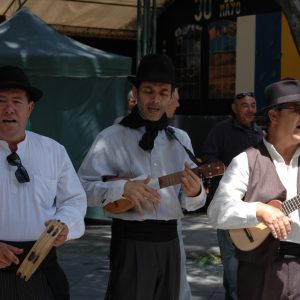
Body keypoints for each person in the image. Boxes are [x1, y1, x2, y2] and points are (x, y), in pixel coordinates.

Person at [78, 54, 206, 300]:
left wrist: (194, 193)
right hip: (131, 242)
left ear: (171, 95)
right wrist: (122, 189)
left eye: (163, 92)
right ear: (135, 92)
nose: (156, 99)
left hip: (170, 243)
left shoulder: (180, 139)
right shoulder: (111, 137)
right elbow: (81, 188)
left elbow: (190, 202)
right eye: (148, 91)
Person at [207, 79, 300, 300]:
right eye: (297, 109)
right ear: (274, 115)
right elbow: (217, 211)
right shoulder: (247, 160)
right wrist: (259, 210)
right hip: (258, 273)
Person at [0, 65, 87, 300]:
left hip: (41, 269)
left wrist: (64, 224)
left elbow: (74, 199)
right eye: (1, 100)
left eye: (17, 101)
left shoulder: (53, 151)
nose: (8, 108)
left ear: (30, 108)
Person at [201, 92, 263, 300]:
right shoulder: (221, 130)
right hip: (228, 207)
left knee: (253, 262)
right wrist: (233, 172)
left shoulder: (260, 134)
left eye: (253, 105)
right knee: (231, 262)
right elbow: (208, 159)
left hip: (255, 209)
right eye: (244, 105)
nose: (250, 109)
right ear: (234, 108)